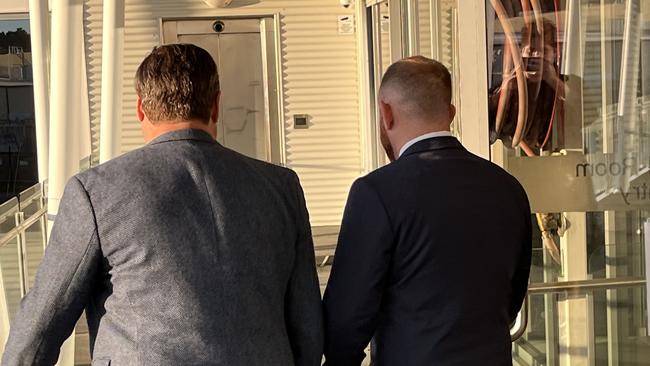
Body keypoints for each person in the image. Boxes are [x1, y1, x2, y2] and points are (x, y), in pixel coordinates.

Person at [2, 44, 323, 366]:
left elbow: (43, 321)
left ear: (141, 108)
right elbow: (307, 321)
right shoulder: (280, 186)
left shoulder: (97, 191)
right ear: (215, 106)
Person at [323, 56, 532, 366]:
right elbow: (512, 298)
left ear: (386, 112)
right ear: (450, 113)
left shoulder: (377, 192)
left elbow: (344, 323)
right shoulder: (508, 188)